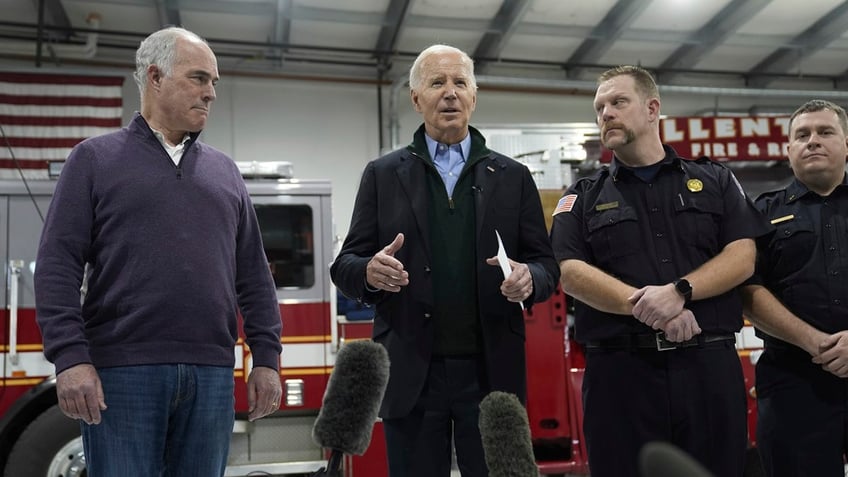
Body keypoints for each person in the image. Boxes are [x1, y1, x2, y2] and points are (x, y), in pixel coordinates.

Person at [34, 27, 283, 476]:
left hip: (210, 375)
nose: (211, 93)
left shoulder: (225, 173)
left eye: (214, 83)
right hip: (122, 373)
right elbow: (57, 266)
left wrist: (266, 358)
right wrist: (70, 358)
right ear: (154, 77)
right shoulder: (93, 161)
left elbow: (253, 276)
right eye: (199, 78)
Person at [330, 44, 559, 477]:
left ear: (474, 96)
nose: (450, 93)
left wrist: (531, 279)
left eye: (460, 83)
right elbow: (345, 265)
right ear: (416, 99)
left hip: (493, 375)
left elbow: (547, 266)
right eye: (437, 83)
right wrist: (370, 271)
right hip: (412, 373)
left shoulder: (513, 177)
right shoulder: (383, 174)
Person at [548, 65, 771, 477]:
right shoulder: (581, 196)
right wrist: (648, 306)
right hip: (621, 376)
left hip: (708, 369)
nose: (606, 114)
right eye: (599, 108)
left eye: (618, 102)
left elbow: (743, 256)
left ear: (652, 109)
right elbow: (572, 273)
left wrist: (680, 291)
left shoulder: (715, 179)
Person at [740, 99, 848, 477]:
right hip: (793, 384)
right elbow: (748, 291)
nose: (812, 141)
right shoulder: (761, 213)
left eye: (825, 132)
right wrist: (814, 342)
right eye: (802, 135)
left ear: (846, 143)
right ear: (788, 150)